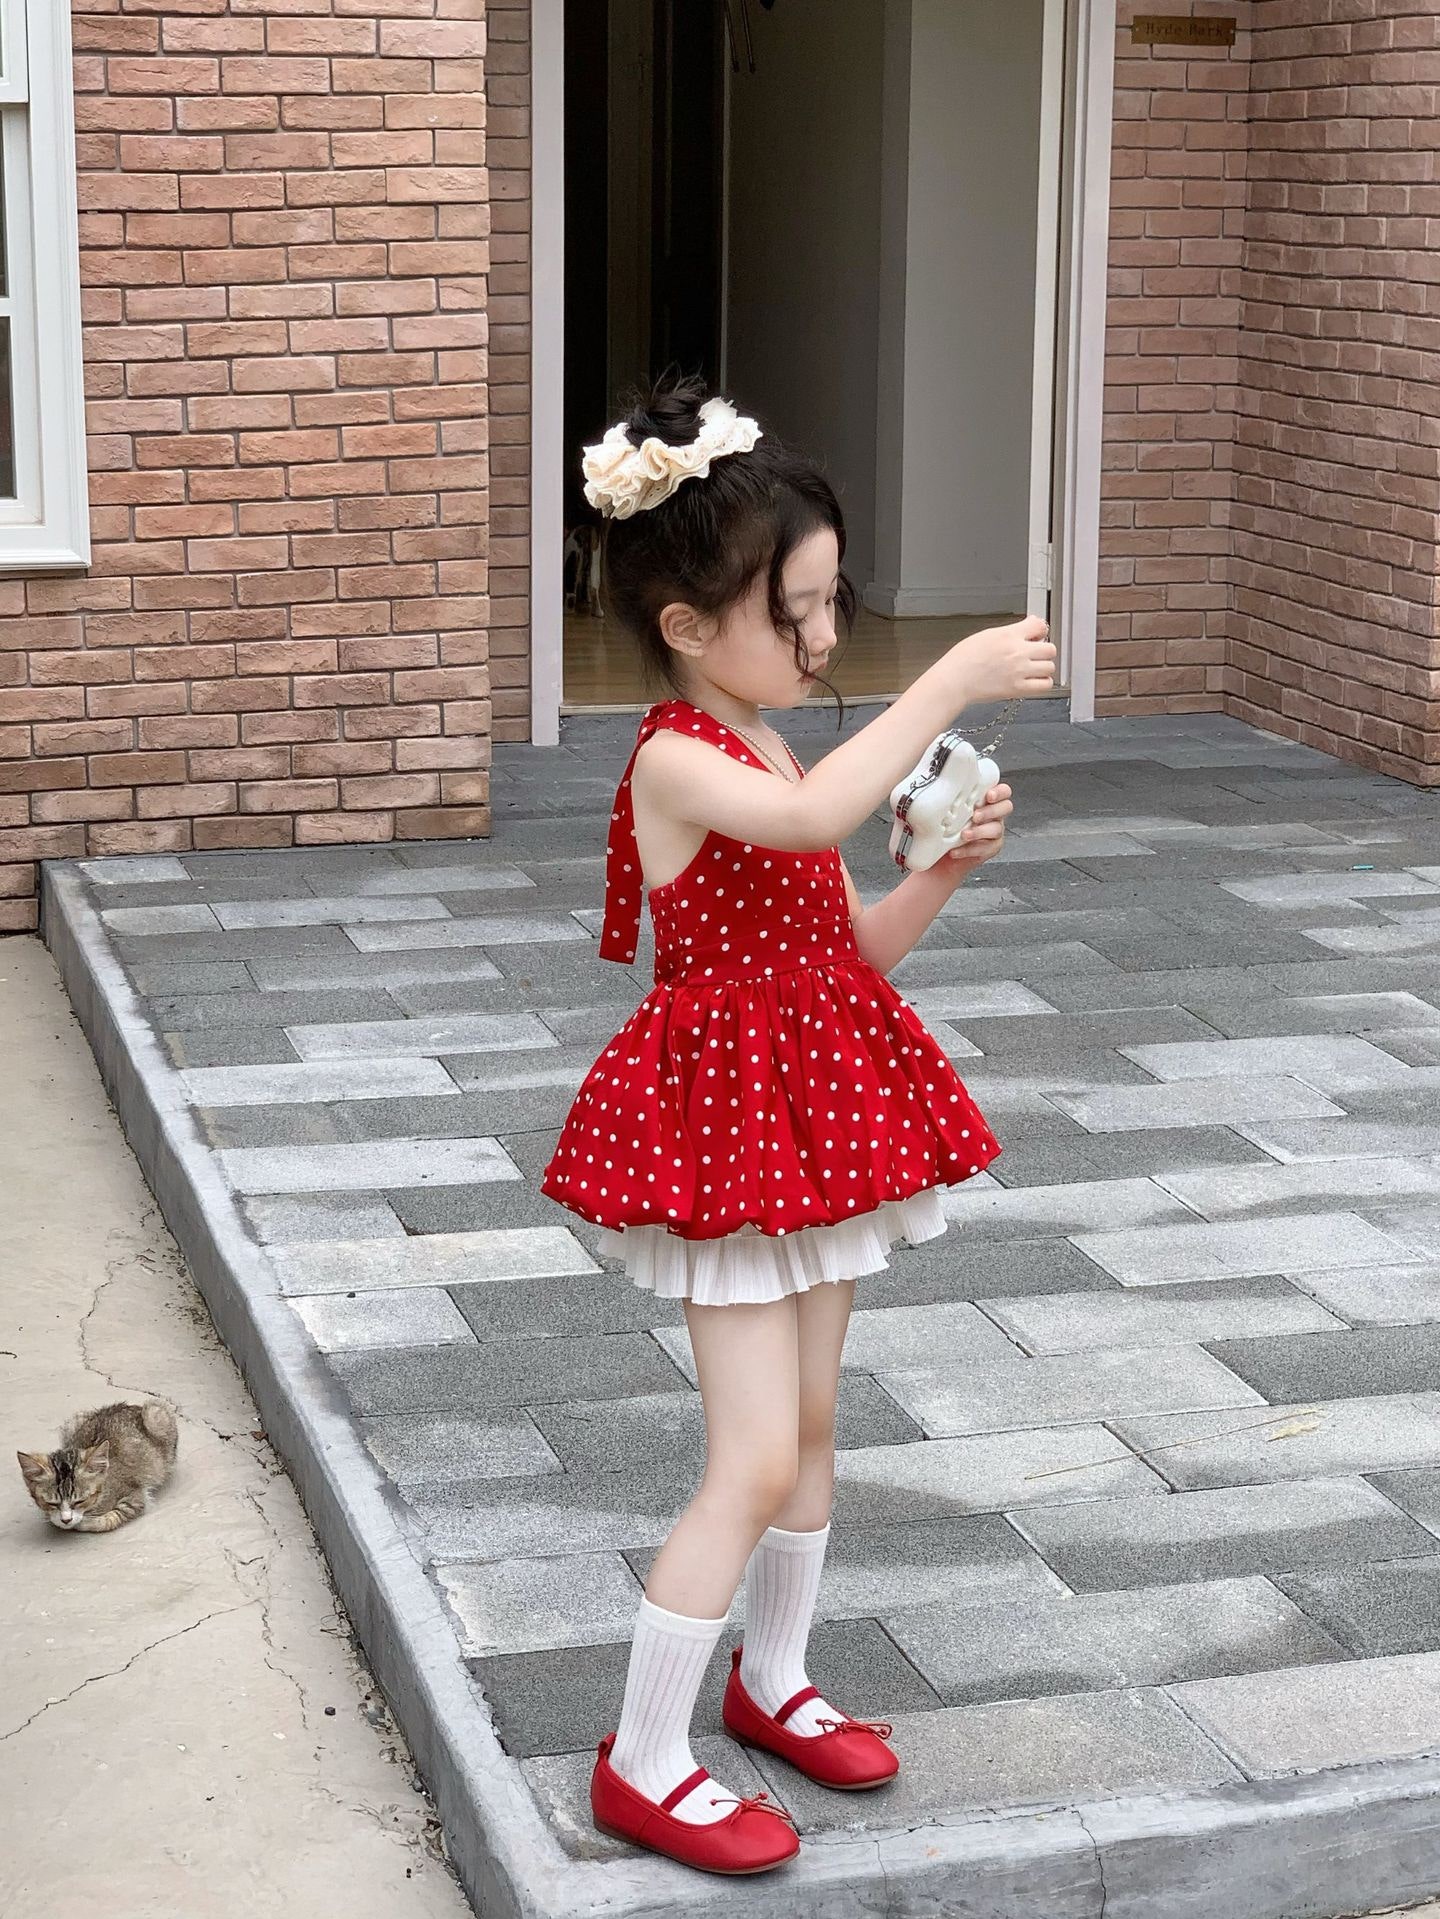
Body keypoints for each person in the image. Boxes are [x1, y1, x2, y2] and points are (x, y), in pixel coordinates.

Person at [540, 372, 1056, 1876]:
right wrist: (950, 679)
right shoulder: (677, 758)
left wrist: (941, 869)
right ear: (689, 627)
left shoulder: (769, 746)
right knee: (755, 1455)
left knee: (815, 1429)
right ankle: (642, 1761)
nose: (827, 638)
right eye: (801, 611)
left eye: (833, 605)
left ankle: (770, 1684)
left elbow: (847, 951)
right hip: (728, 1140)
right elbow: (824, 817)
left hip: (811, 1121)